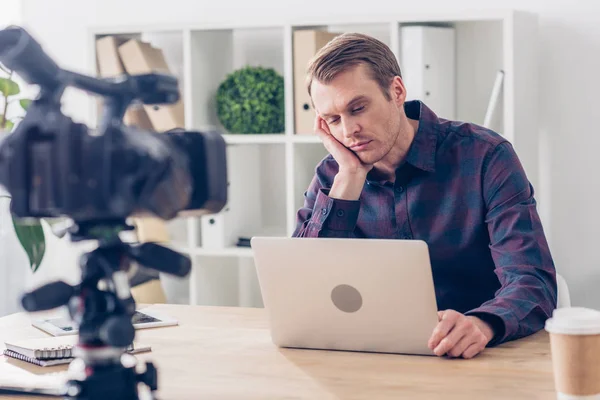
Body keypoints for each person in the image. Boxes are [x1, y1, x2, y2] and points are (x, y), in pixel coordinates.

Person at [293, 33, 557, 359]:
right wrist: (348, 179)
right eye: (333, 120)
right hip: (372, 358)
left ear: (397, 91)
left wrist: (483, 324)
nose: (348, 131)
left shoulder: (486, 156)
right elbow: (303, 291)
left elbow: (532, 281)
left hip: (474, 357)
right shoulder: (333, 176)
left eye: (358, 108)